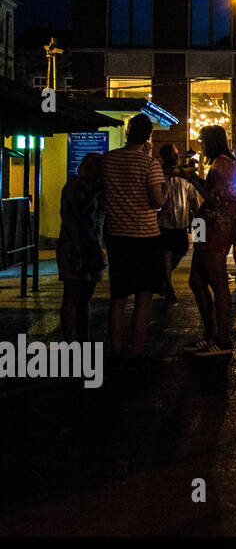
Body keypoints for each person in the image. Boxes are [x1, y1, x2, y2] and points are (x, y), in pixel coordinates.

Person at [100, 114, 166, 366]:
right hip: (146, 237)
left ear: (128, 131)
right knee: (143, 296)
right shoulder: (150, 165)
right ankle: (136, 350)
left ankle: (115, 349)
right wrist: (165, 192)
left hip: (117, 237)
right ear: (148, 135)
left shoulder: (108, 160)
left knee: (117, 297)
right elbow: (157, 202)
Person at [183, 124, 236, 357]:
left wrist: (192, 179)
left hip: (215, 225)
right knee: (196, 280)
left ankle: (222, 339)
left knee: (217, 281)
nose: (201, 144)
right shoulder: (222, 162)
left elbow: (216, 198)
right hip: (204, 223)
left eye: (203, 140)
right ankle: (210, 335)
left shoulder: (223, 164)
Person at [57, 152, 106, 342]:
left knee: (85, 296)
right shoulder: (75, 186)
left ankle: (82, 337)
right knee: (72, 295)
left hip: (92, 246)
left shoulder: (99, 189)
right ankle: (70, 338)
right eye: (98, 166)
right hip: (73, 246)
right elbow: (72, 216)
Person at [157, 143, 198, 305]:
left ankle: (162, 279)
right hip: (164, 223)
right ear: (165, 156)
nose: (177, 157)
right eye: (173, 154)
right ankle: (168, 287)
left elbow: (194, 201)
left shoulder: (184, 176)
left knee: (182, 250)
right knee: (166, 256)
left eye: (177, 154)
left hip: (181, 224)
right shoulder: (160, 175)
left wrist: (200, 229)